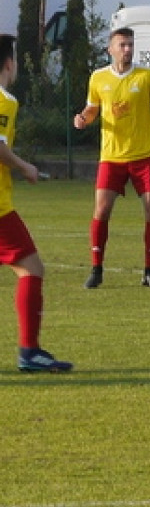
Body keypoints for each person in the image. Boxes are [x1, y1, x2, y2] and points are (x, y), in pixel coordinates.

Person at [73, 27, 150, 289]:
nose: (127, 49)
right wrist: (82, 119)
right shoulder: (98, 78)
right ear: (110, 49)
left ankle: (149, 271)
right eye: (122, 45)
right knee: (101, 210)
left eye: (130, 45)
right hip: (111, 157)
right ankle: (96, 269)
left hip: (144, 155)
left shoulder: (146, 76)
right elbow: (91, 109)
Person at [0, 35, 72, 372]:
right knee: (32, 269)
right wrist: (24, 166)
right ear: (9, 64)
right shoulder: (4, 100)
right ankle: (29, 352)